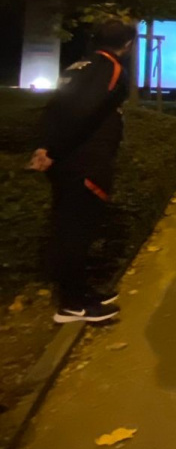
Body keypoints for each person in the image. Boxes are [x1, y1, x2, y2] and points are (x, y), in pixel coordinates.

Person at [29, 19, 137, 324]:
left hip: (68, 161)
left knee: (69, 228)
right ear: (127, 45)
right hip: (84, 162)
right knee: (76, 233)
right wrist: (52, 150)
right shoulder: (109, 68)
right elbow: (81, 111)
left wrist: (45, 145)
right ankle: (72, 304)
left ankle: (81, 292)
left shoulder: (78, 65)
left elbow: (56, 108)